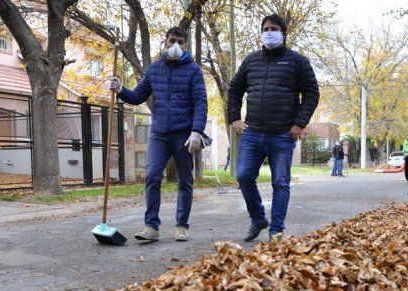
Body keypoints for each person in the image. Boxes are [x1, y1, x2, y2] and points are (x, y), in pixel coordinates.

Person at [109, 27, 207, 242]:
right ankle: (151, 227)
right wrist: (121, 90)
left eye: (180, 42)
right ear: (164, 42)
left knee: (185, 180)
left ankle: (182, 226)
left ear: (186, 45)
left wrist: (197, 132)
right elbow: (137, 96)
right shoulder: (154, 69)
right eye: (172, 40)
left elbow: (201, 103)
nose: (176, 46)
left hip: (184, 134)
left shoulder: (194, 71)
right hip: (159, 134)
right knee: (152, 176)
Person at [228, 13, 320, 243]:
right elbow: (235, 90)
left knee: (280, 182)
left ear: (284, 33)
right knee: (243, 176)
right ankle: (258, 218)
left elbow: (311, 93)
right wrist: (234, 119)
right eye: (266, 28)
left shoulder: (297, 61)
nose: (269, 32)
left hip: (282, 134)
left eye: (274, 28)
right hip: (252, 133)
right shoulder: (251, 61)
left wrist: (299, 123)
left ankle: (276, 230)